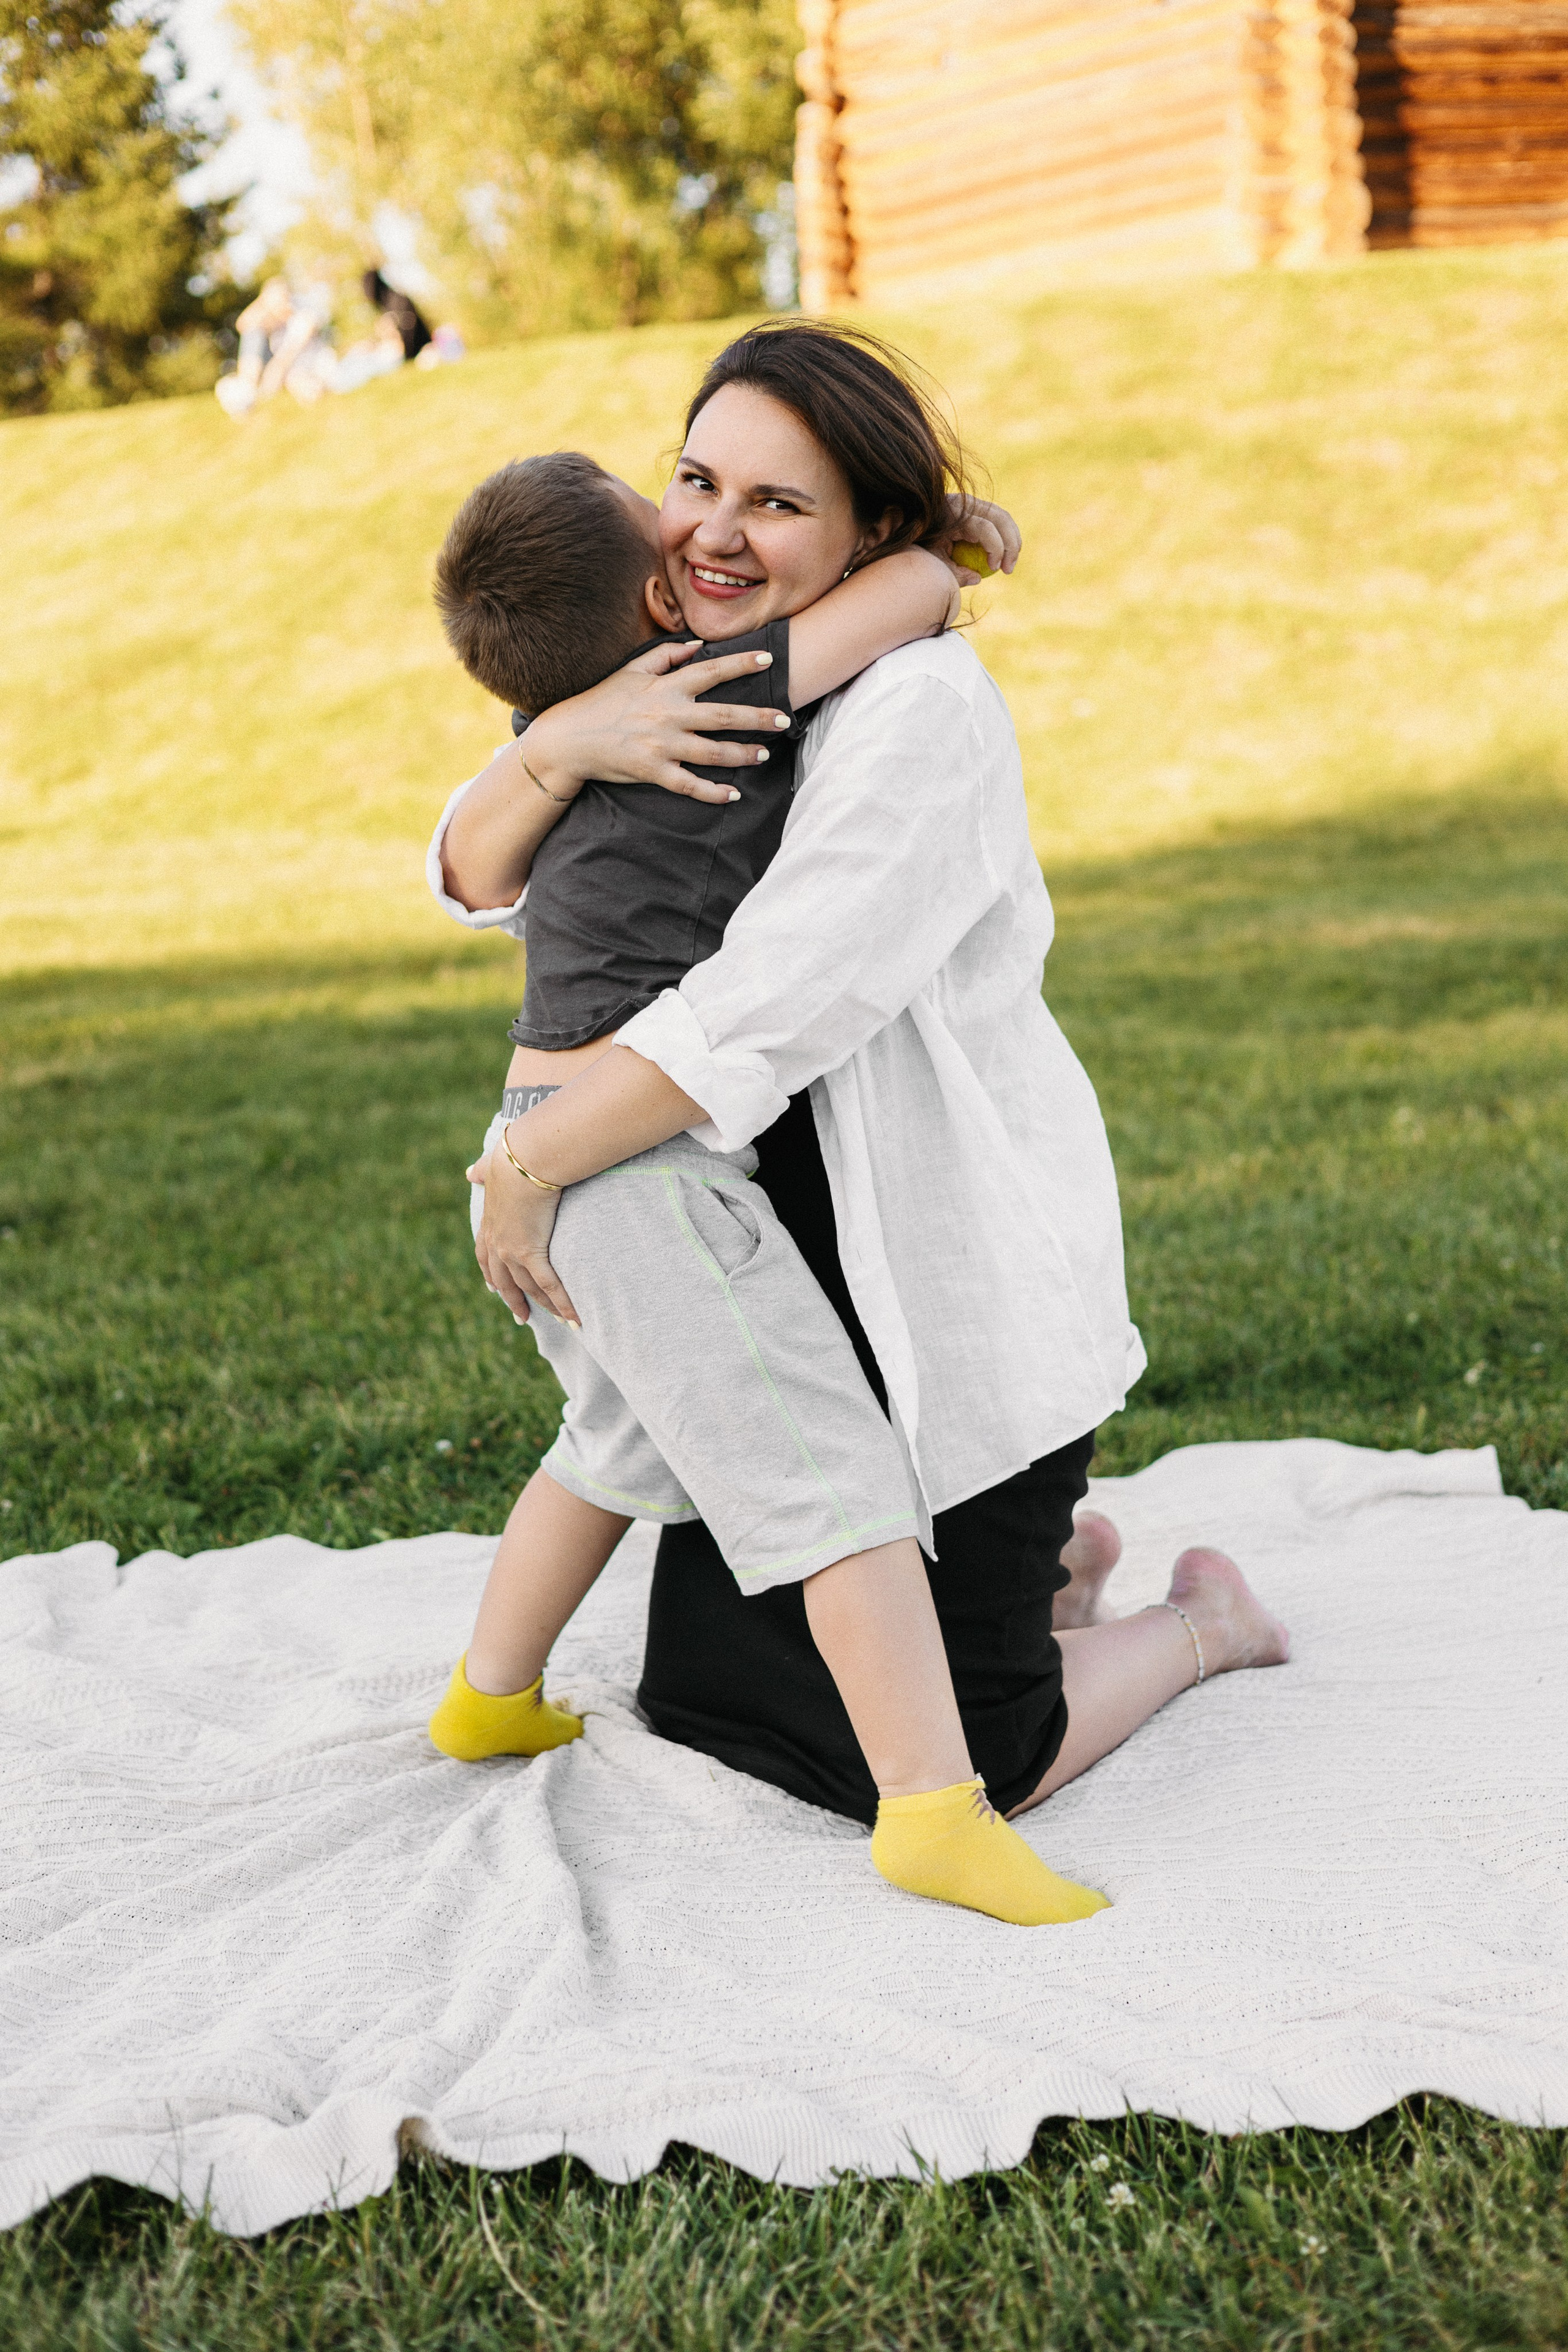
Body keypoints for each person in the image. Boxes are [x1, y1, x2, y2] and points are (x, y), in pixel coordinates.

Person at [432, 323, 1290, 1884]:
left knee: (975, 1744)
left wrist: (526, 1159)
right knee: (729, 1703)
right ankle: (1051, 1579)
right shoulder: (634, 691)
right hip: (755, 1225)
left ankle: (1193, 1625)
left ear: (864, 531)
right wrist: (558, 740)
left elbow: (768, 1004)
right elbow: (467, 864)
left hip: (917, 1261)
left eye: (775, 504)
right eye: (693, 480)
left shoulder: (911, 711)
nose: (710, 530)